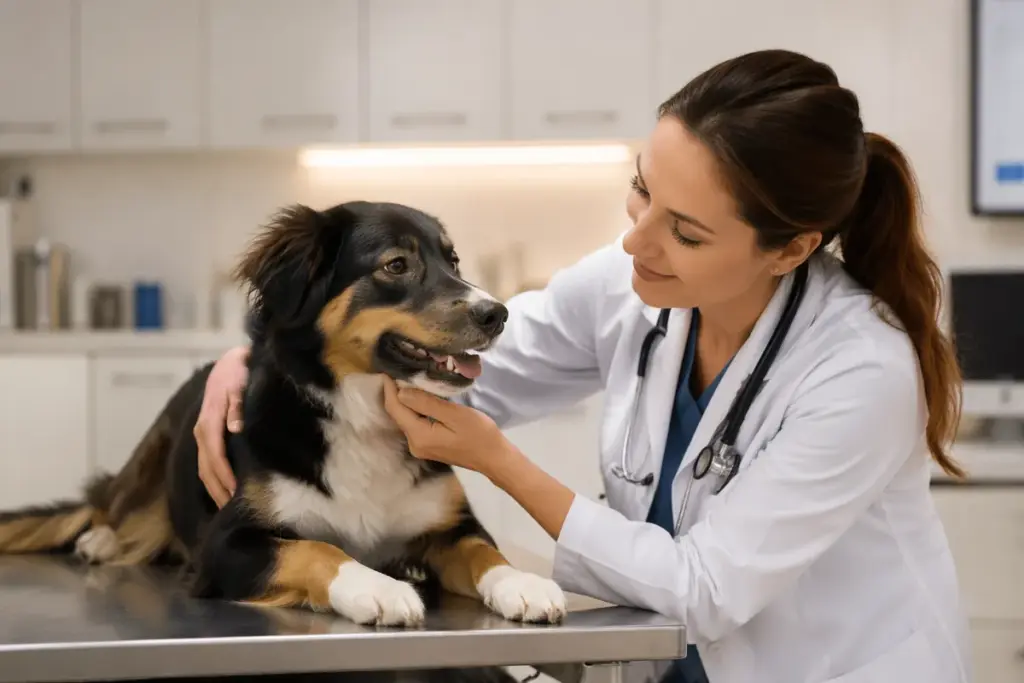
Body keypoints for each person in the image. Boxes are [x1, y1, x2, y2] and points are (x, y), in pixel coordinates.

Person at [193, 50, 971, 683]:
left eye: (687, 231)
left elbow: (704, 589)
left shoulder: (860, 370)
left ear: (793, 247)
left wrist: (500, 463)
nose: (636, 242)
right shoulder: (633, 285)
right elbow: (457, 367)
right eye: (641, 190)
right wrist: (256, 360)